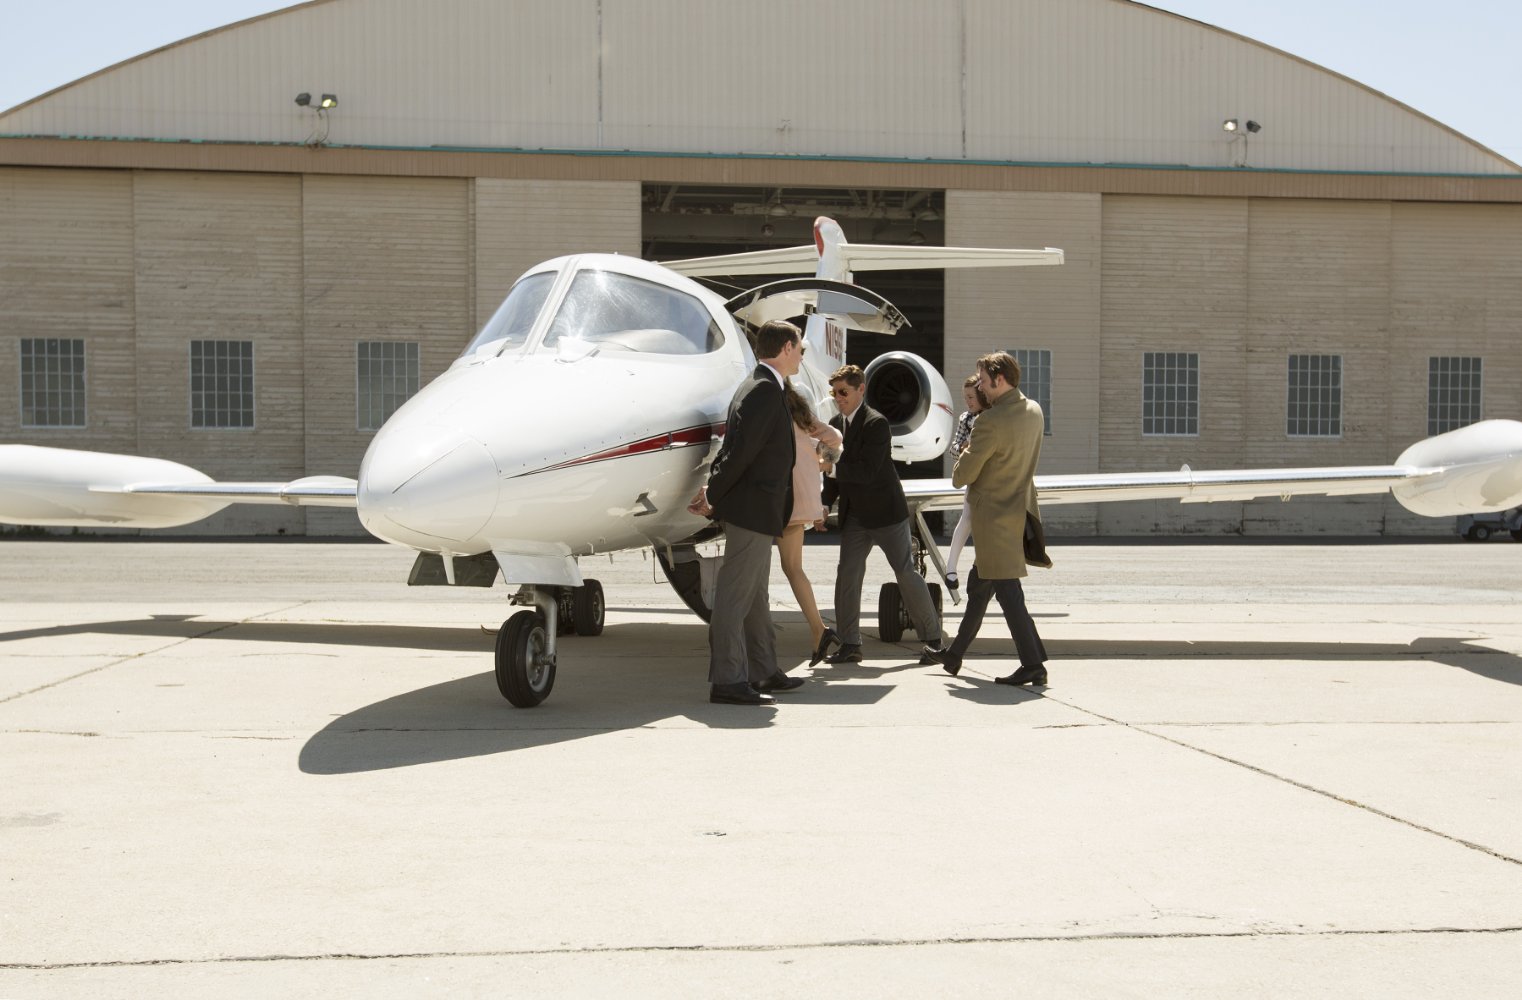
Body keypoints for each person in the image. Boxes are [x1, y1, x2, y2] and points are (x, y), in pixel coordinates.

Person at [688, 319, 808, 705]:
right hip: (752, 510)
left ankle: (763, 670)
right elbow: (740, 454)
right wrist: (713, 494)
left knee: (755, 596)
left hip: (759, 510)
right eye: (800, 348)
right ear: (786, 348)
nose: (802, 355)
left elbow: (734, 448)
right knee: (734, 598)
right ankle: (727, 679)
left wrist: (714, 490)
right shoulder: (760, 390)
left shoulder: (759, 385)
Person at [923, 352, 1053, 686]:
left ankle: (1033, 664)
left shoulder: (989, 422)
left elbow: (961, 475)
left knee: (1010, 595)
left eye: (982, 381)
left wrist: (966, 451)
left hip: (993, 519)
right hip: (1018, 511)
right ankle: (954, 655)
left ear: (999, 378)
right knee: (980, 588)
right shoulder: (1034, 411)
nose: (980, 387)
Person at [821, 364, 944, 663]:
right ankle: (850, 644)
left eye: (844, 392)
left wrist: (831, 468)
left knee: (905, 571)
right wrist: (825, 502)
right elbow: (833, 476)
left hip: (887, 514)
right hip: (855, 516)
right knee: (847, 575)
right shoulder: (835, 423)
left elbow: (867, 471)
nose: (839, 398)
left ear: (860, 389)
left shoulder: (877, 423)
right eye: (835, 393)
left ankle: (934, 641)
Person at [779, 377, 844, 666]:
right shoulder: (799, 414)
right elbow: (835, 438)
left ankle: (819, 630)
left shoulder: (777, 410)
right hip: (802, 496)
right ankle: (818, 631)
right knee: (793, 568)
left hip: (785, 499)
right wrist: (822, 463)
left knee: (791, 568)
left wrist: (821, 463)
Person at [945, 374, 989, 593]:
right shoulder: (966, 418)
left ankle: (982, 567)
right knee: (967, 518)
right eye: (965, 397)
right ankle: (951, 567)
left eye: (972, 397)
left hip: (993, 476)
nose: (968, 401)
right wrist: (964, 447)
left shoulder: (993, 416)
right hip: (974, 477)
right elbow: (953, 448)